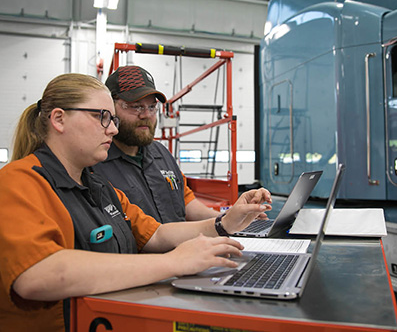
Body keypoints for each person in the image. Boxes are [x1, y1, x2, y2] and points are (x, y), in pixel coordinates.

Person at [0, 73, 272, 331]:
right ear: (59, 119)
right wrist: (174, 263)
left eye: (114, 120)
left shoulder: (100, 188)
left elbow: (156, 233)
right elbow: (38, 274)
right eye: (102, 117)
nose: (112, 129)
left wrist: (225, 222)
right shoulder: (18, 182)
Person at [92, 65, 221, 223]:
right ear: (109, 108)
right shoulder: (94, 163)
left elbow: (187, 202)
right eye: (136, 106)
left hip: (185, 245)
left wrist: (230, 219)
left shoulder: (161, 153)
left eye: (152, 107)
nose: (146, 114)